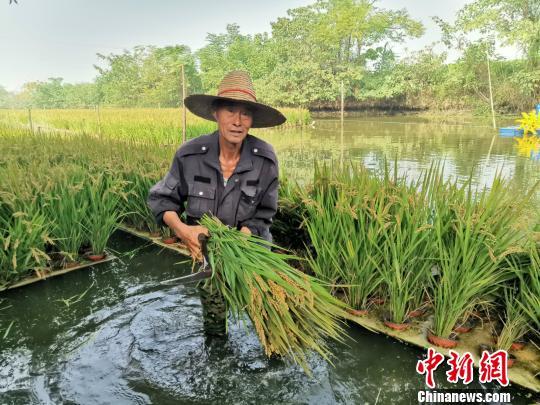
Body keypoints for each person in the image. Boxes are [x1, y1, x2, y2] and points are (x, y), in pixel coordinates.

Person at [147, 70, 286, 336]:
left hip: (253, 253)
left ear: (252, 120)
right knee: (214, 324)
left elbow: (265, 213)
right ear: (215, 113)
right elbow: (162, 199)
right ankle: (217, 358)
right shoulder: (190, 155)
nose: (237, 121)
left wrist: (246, 235)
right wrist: (183, 231)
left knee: (267, 322)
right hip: (208, 256)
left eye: (245, 113)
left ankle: (272, 359)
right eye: (230, 111)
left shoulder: (265, 159)